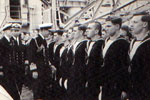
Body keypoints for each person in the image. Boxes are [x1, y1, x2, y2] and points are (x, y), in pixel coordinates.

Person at [101, 16, 130, 100]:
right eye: (105, 26)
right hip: (105, 84)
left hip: (116, 85)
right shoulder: (105, 42)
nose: (106, 29)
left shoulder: (123, 43)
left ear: (117, 26)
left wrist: (124, 89)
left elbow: (124, 67)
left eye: (109, 26)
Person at [27, 23, 53, 100]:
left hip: (44, 70)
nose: (49, 33)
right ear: (43, 30)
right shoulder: (34, 41)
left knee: (44, 90)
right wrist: (34, 70)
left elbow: (45, 56)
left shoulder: (44, 41)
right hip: (38, 70)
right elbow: (30, 56)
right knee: (38, 91)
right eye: (48, 30)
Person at [129, 12, 150, 100]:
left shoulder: (148, 44)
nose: (131, 25)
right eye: (131, 22)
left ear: (145, 24)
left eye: (135, 22)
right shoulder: (132, 43)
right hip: (133, 90)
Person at [0, 23, 20, 100]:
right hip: (5, 70)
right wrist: (0, 70)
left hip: (13, 70)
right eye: (10, 30)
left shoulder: (12, 41)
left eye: (12, 30)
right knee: (7, 89)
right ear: (5, 31)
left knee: (14, 90)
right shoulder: (1, 42)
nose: (11, 32)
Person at [68, 24, 88, 100]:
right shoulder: (74, 44)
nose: (73, 33)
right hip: (72, 74)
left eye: (75, 31)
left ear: (81, 32)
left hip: (81, 75)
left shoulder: (85, 43)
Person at [85, 21, 104, 100]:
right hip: (89, 80)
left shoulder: (101, 44)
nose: (87, 30)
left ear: (96, 31)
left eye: (89, 28)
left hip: (97, 81)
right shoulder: (89, 43)